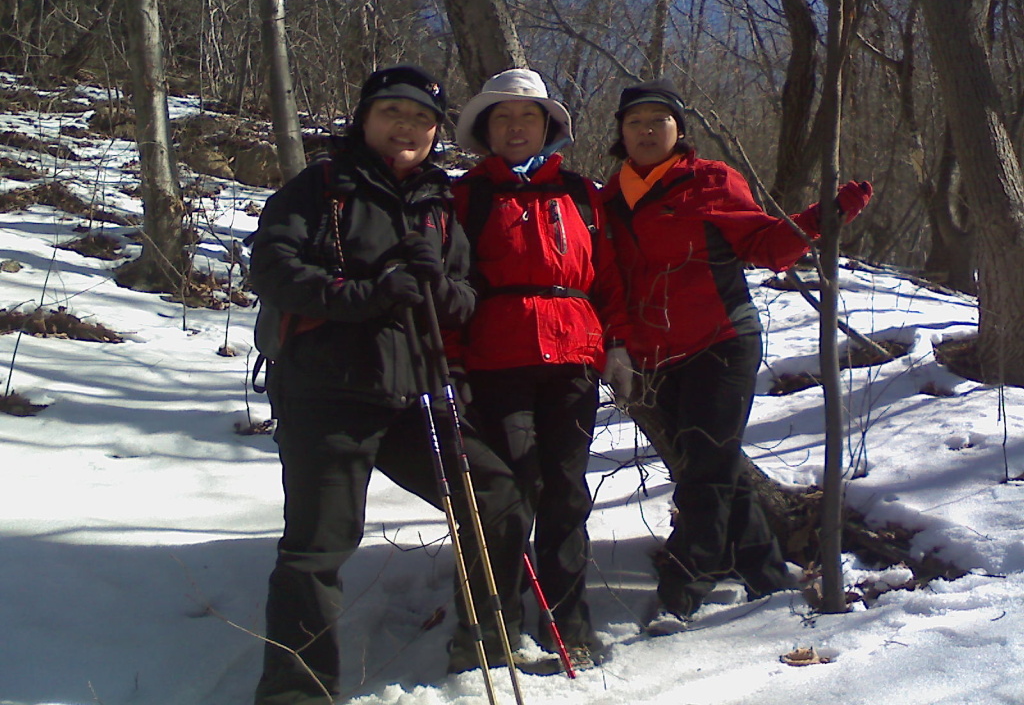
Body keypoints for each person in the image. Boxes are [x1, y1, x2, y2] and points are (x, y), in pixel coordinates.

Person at [248, 65, 530, 704]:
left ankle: (485, 640)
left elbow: (465, 300)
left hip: (416, 396)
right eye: (392, 114)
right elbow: (273, 270)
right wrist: (367, 295)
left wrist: (437, 286)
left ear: (435, 132)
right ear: (365, 119)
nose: (407, 128)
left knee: (496, 497)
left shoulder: (438, 203)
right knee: (317, 548)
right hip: (328, 393)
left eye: (422, 120)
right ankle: (297, 691)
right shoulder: (319, 186)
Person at [601, 78, 873, 620]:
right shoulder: (609, 199)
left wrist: (826, 216)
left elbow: (766, 245)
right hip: (657, 356)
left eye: (659, 120)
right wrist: (619, 346)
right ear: (621, 135)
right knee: (716, 466)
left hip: (722, 342)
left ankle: (683, 586)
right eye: (635, 122)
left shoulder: (709, 181)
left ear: (680, 130)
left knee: (705, 469)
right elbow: (612, 281)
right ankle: (768, 577)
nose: (647, 130)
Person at [449, 68, 633, 670]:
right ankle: (490, 622)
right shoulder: (467, 195)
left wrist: (620, 346)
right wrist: (452, 357)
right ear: (487, 130)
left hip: (574, 360)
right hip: (497, 361)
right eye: (502, 117)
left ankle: (568, 622)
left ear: (548, 126)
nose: (516, 126)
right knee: (509, 493)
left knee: (565, 492)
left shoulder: (583, 193)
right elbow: (448, 283)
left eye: (527, 116)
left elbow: (608, 278)